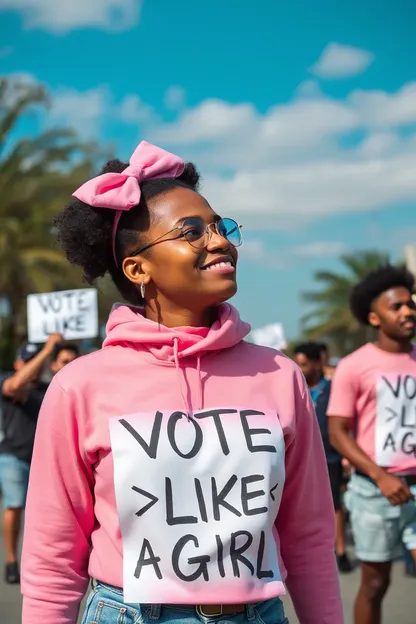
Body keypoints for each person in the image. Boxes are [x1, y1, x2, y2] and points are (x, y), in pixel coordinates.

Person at [21, 141, 342, 624]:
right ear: (137, 269)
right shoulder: (79, 386)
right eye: (190, 232)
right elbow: (53, 553)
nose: (218, 241)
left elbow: (309, 533)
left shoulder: (280, 375)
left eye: (219, 226)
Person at [328, 264, 416, 624]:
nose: (408, 311)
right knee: (376, 583)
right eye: (396, 307)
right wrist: (380, 476)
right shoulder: (354, 365)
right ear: (374, 317)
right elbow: (338, 431)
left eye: (410, 304)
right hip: (374, 492)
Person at [0, 333, 62, 583]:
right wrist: (47, 350)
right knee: (14, 504)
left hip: (42, 462)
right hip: (12, 456)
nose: (32, 366)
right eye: (28, 361)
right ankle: (12, 560)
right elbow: (15, 387)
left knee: (45, 515)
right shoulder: (8, 381)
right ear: (18, 364)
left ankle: (36, 563)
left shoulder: (48, 389)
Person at [293, 342, 352, 573]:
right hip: (301, 458)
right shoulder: (293, 391)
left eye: (305, 364)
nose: (301, 369)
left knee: (335, 504)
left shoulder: (334, 390)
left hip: (331, 456)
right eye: (297, 364)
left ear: (318, 363)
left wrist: (347, 456)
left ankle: (340, 551)